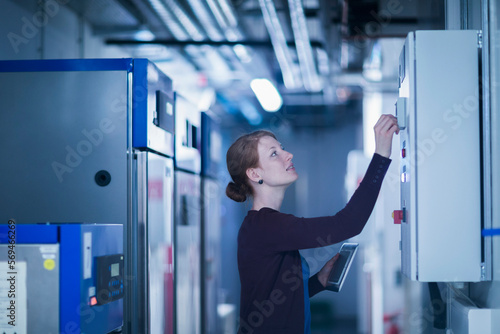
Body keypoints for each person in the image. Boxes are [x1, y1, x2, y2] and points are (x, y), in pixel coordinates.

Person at [225, 114, 399, 334]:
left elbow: (274, 300)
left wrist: (319, 281)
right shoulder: (266, 225)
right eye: (274, 154)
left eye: (282, 148)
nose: (288, 155)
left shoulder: (263, 225)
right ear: (254, 173)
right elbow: (348, 224)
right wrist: (381, 156)